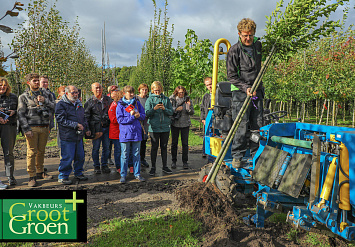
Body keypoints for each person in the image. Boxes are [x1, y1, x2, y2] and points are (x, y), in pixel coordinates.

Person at [226, 18, 263, 168]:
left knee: (257, 124)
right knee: (241, 125)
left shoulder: (258, 46)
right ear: (239, 34)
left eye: (251, 35)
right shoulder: (234, 51)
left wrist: (256, 88)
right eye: (245, 35)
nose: (248, 38)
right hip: (240, 93)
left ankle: (256, 155)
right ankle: (237, 156)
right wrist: (245, 87)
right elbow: (231, 76)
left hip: (257, 91)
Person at [18, 73, 55, 187]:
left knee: (41, 151)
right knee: (32, 152)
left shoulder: (46, 94)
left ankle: (40, 172)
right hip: (32, 128)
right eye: (35, 81)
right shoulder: (23, 96)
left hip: (44, 127)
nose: (37, 83)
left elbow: (54, 107)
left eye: (38, 80)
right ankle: (31, 176)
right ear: (29, 82)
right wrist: (26, 129)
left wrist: (45, 101)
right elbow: (21, 114)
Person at [55, 85, 90, 184]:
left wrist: (86, 128)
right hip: (67, 136)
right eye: (73, 93)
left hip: (78, 136)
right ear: (66, 93)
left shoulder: (79, 104)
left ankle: (78, 173)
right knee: (67, 157)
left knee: (80, 156)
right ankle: (63, 176)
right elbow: (60, 120)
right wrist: (75, 125)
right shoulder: (61, 104)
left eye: (77, 92)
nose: (75, 94)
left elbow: (83, 118)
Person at [116, 85, 145, 183]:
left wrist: (139, 115)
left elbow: (143, 115)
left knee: (136, 155)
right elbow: (120, 120)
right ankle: (123, 175)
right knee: (124, 155)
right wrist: (132, 117)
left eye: (133, 92)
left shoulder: (137, 103)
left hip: (136, 133)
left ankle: (137, 174)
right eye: (130, 92)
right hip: (125, 134)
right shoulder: (120, 105)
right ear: (124, 93)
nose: (132, 94)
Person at [145, 81, 174, 176]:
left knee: (164, 147)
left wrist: (164, 109)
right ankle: (153, 167)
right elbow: (147, 113)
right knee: (154, 148)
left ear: (161, 89)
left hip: (165, 127)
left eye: (159, 90)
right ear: (152, 90)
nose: (157, 92)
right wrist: (154, 109)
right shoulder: (149, 100)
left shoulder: (166, 99)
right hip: (154, 128)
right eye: (155, 90)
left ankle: (165, 166)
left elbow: (171, 112)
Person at [84, 82, 112, 174]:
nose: (98, 89)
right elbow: (86, 117)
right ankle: (96, 166)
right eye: (96, 88)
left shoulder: (108, 100)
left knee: (106, 147)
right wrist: (87, 129)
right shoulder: (89, 102)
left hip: (107, 127)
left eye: (99, 87)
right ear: (92, 90)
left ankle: (104, 165)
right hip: (95, 128)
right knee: (96, 148)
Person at [169, 86, 194, 169]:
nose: (181, 94)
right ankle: (173, 161)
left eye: (182, 92)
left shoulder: (187, 99)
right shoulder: (172, 99)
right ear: (176, 92)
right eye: (179, 92)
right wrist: (176, 109)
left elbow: (191, 112)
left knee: (185, 144)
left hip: (185, 124)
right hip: (175, 124)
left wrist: (188, 107)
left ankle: (185, 161)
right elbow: (168, 110)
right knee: (174, 143)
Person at [0, 77, 18, 188]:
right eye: (0, 85)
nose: (2, 87)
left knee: (8, 152)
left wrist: (13, 112)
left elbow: (20, 110)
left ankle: (10, 176)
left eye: (4, 85)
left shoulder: (13, 97)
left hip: (9, 126)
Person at [200, 77, 214, 163]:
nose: (210, 86)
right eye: (207, 85)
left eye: (210, 84)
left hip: (216, 120)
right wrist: (202, 118)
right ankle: (205, 151)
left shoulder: (219, 94)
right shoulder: (206, 96)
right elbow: (202, 108)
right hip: (207, 119)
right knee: (206, 135)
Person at [108, 88, 123, 173]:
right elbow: (113, 119)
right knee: (118, 150)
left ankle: (124, 165)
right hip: (115, 132)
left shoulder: (118, 105)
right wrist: (123, 119)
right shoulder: (113, 106)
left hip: (121, 131)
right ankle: (118, 166)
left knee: (122, 150)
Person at [136, 83, 149, 168]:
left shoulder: (148, 99)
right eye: (142, 89)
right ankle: (136, 160)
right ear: (139, 90)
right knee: (137, 143)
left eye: (146, 90)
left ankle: (142, 159)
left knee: (144, 142)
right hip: (137, 123)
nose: (144, 91)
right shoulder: (136, 99)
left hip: (146, 124)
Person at [107, 85, 118, 166]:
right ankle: (108, 158)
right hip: (111, 125)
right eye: (114, 90)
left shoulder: (120, 101)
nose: (116, 92)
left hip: (117, 128)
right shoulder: (108, 101)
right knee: (109, 144)